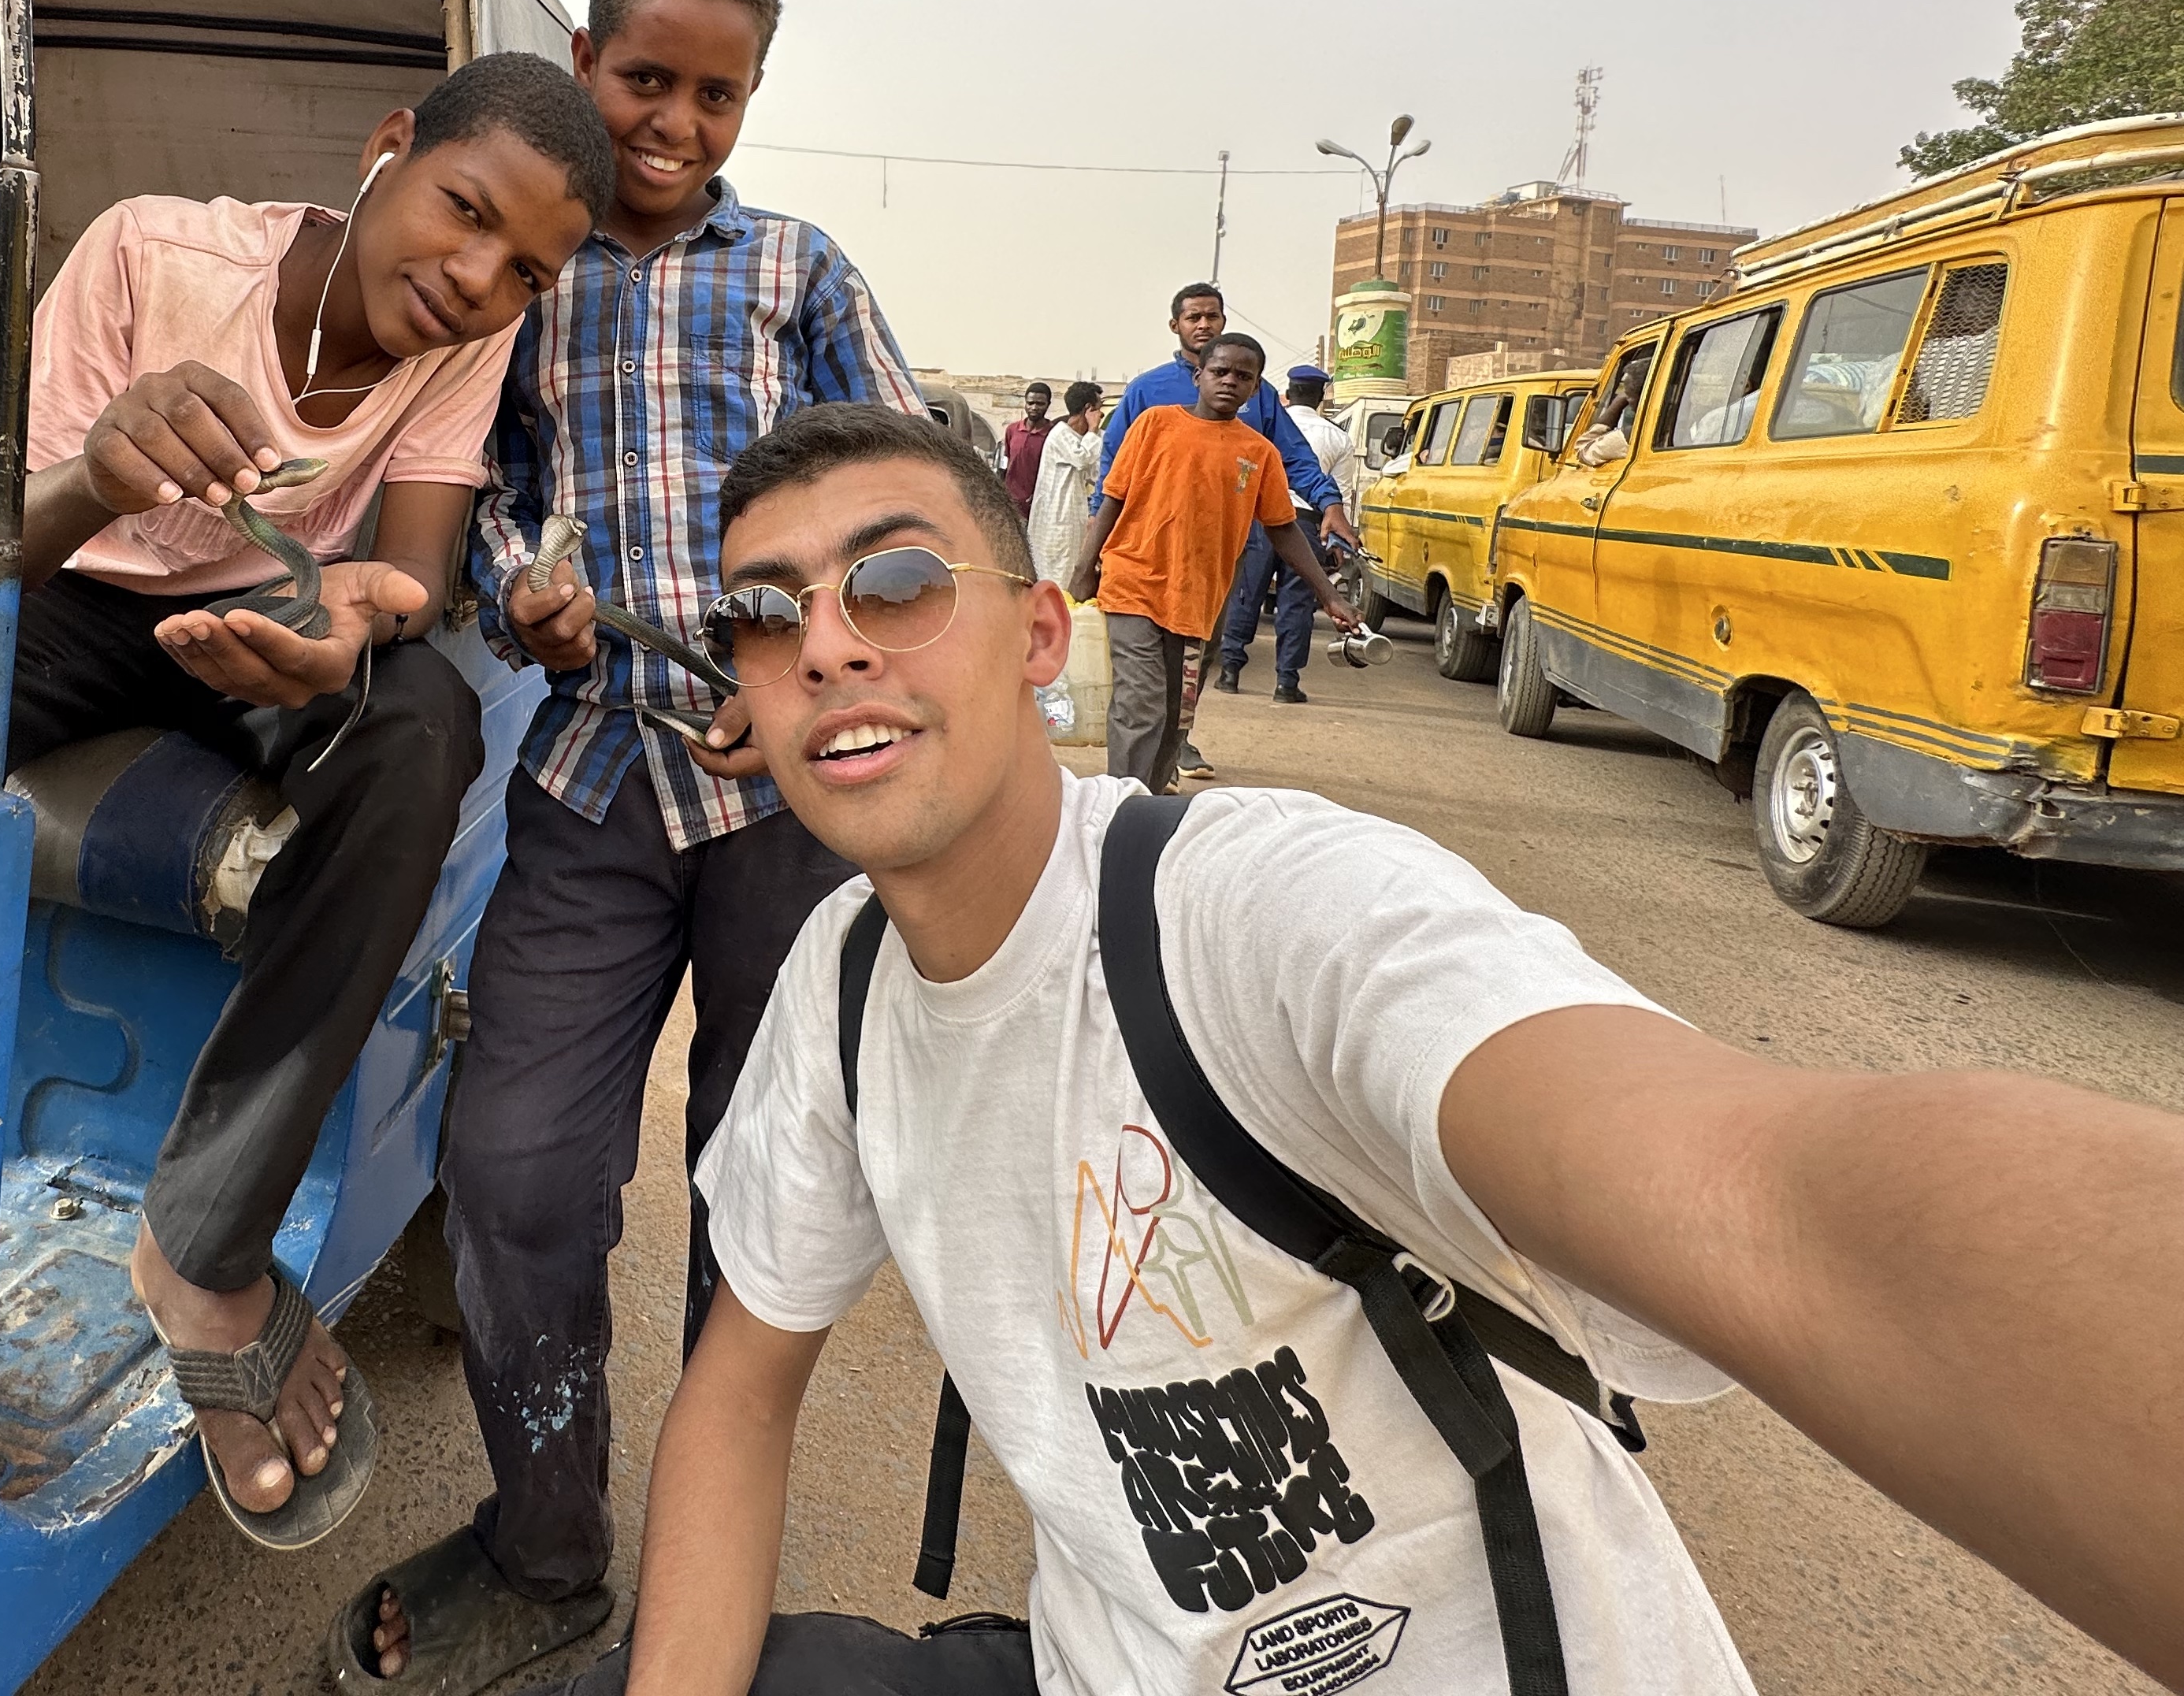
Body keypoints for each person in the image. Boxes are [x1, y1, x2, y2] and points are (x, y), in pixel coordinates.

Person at [560, 403, 2184, 1695]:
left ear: (1041, 635)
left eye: (898, 584)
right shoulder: (842, 984)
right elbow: (740, 1389)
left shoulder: (1260, 910)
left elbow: (1779, 1200)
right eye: (765, 613)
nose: (827, 645)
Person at [0, 53, 612, 1546]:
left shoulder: (466, 342)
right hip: (70, 590)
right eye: (465, 211)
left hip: (275, 619)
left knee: (423, 731)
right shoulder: (154, 255)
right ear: (391, 145)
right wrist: (101, 469)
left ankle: (203, 1242)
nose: (480, 279)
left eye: (526, 270)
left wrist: (350, 627)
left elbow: (412, 575)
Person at [344, 0, 924, 1692]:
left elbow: (906, 498)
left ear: (751, 101)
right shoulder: (525, 270)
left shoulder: (799, 272)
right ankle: (546, 1551)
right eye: (647, 79)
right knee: (514, 1169)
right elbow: (475, 485)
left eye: (716, 95)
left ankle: (702, 1557)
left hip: (786, 808)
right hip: (591, 780)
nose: (675, 123)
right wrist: (519, 586)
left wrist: (802, 666)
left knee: (765, 1182)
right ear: (586, 61)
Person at [1077, 333, 1358, 794]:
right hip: (1133, 582)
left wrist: (1329, 596)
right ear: (1198, 376)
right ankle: (1121, 806)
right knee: (1140, 702)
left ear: (1256, 388)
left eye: (1243, 376)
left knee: (1176, 708)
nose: (1229, 382)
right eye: (1220, 371)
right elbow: (1113, 497)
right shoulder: (1154, 425)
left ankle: (1150, 796)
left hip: (1200, 598)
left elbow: (1283, 527)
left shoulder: (1259, 452)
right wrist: (1084, 567)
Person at [1213, 362, 1355, 703]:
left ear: (1288, 394)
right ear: (1321, 398)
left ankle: (1230, 672)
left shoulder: (1266, 425)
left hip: (1259, 522)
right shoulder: (1338, 437)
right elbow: (1341, 495)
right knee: (1298, 604)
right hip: (1308, 525)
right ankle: (1286, 683)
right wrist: (1336, 542)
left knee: (1246, 594)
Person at [1023, 380, 1105, 594]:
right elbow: (1082, 459)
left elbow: (1094, 473)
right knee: (1056, 573)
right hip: (1056, 519)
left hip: (1073, 517)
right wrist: (1093, 430)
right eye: (1098, 410)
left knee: (1069, 570)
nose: (1101, 416)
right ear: (1088, 409)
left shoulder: (1084, 438)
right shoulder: (1060, 434)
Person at [999, 380, 1053, 518]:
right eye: (1030, 403)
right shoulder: (1012, 430)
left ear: (1048, 405)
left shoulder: (1053, 434)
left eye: (1040, 404)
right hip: (1010, 501)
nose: (1034, 408)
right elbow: (1005, 462)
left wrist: (1040, 495)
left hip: (1038, 504)